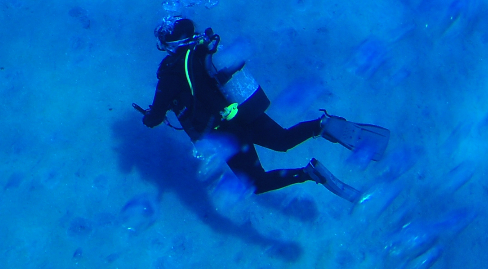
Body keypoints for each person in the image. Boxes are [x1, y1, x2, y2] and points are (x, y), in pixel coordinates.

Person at [138, 16, 390, 203]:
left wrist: (148, 116)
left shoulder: (171, 70)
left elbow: (155, 116)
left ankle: (308, 174)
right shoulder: (205, 50)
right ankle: (321, 125)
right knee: (282, 141)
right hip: (243, 110)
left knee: (255, 182)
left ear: (169, 42)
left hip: (224, 132)